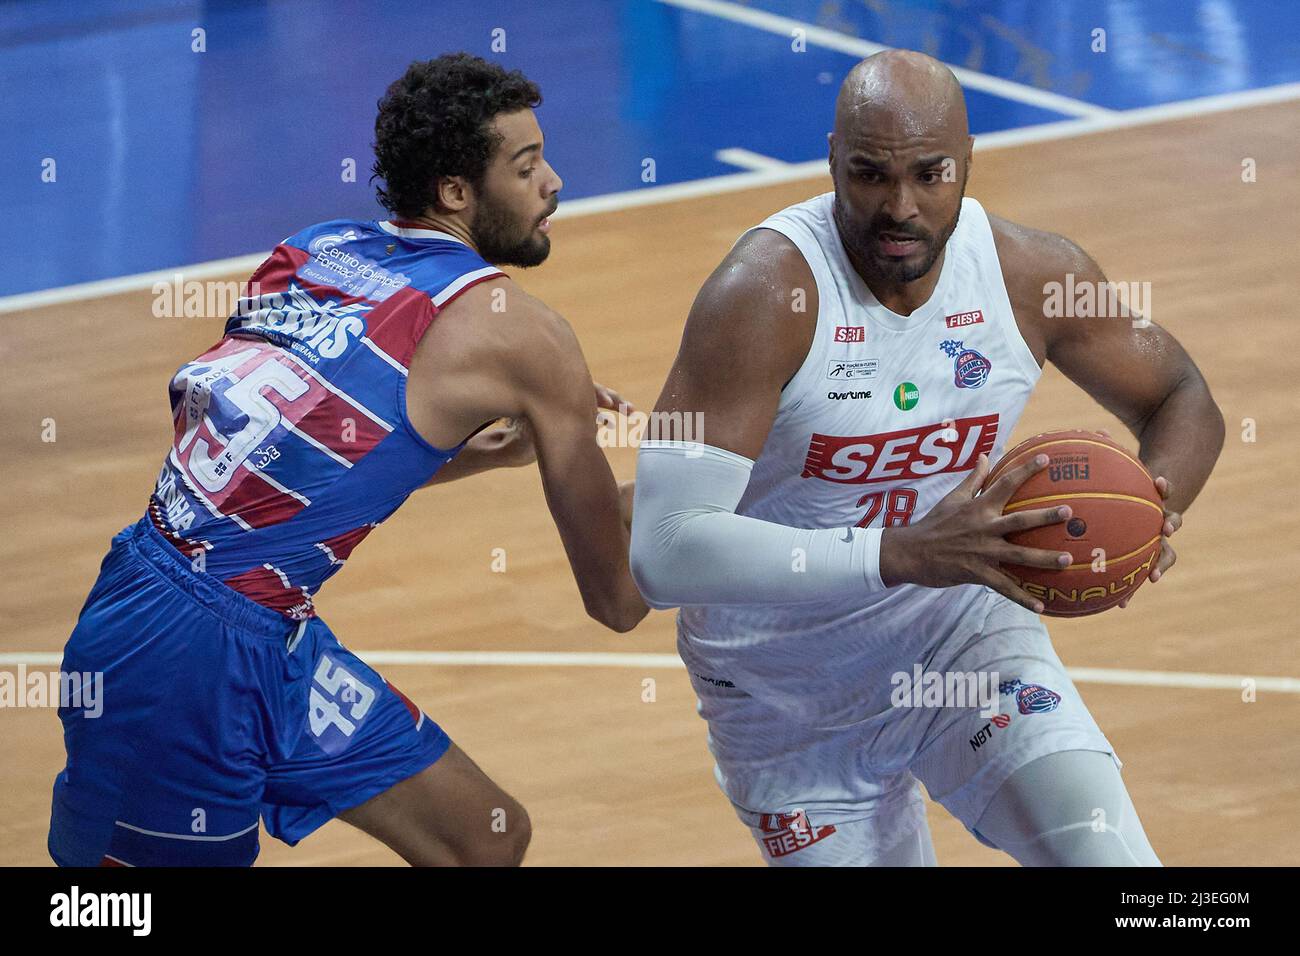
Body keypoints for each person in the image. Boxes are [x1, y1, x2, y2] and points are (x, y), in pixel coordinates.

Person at [49, 52, 646, 868]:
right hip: (185, 658)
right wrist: (714, 493)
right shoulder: (522, 334)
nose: (555, 183)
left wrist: (477, 457)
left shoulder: (311, 249)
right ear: (455, 194)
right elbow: (614, 599)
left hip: (246, 624)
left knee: (482, 838)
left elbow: (262, 459)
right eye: (527, 165)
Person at [629, 50, 1224, 866]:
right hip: (783, 693)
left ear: (969, 163)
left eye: (930, 174)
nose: (900, 207)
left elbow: (1181, 392)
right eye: (870, 175)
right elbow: (663, 551)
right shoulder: (762, 295)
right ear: (832, 158)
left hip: (963, 642)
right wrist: (902, 552)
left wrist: (1152, 512)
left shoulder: (1034, 275)